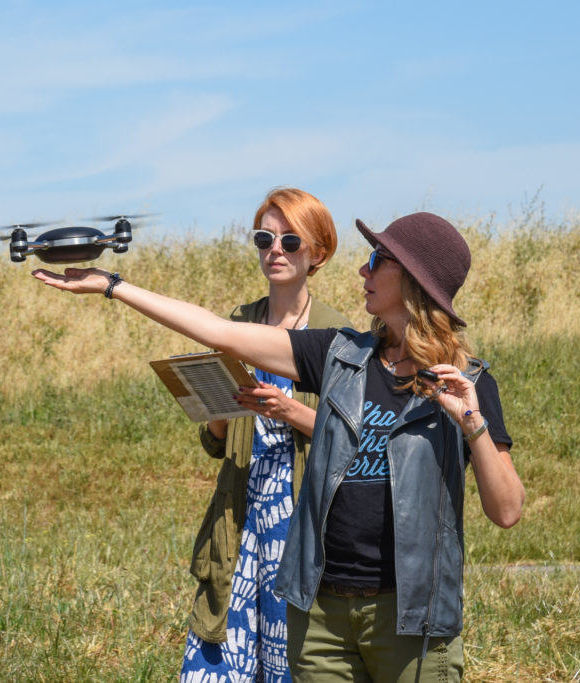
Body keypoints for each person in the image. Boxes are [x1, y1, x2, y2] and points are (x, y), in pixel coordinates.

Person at [32, 211, 526, 682]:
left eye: (378, 260)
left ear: (414, 280)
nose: (363, 268)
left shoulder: (469, 383)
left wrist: (471, 422)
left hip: (409, 618)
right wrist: (113, 286)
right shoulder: (339, 355)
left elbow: (506, 511)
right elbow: (220, 332)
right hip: (322, 617)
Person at [180, 188, 351, 682]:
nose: (275, 250)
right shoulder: (238, 323)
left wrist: (289, 410)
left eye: (290, 240)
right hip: (240, 513)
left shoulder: (336, 334)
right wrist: (217, 405)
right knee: (217, 659)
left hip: (298, 518)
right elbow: (218, 443)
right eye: (265, 238)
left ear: (317, 253)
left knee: (288, 660)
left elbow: (355, 440)